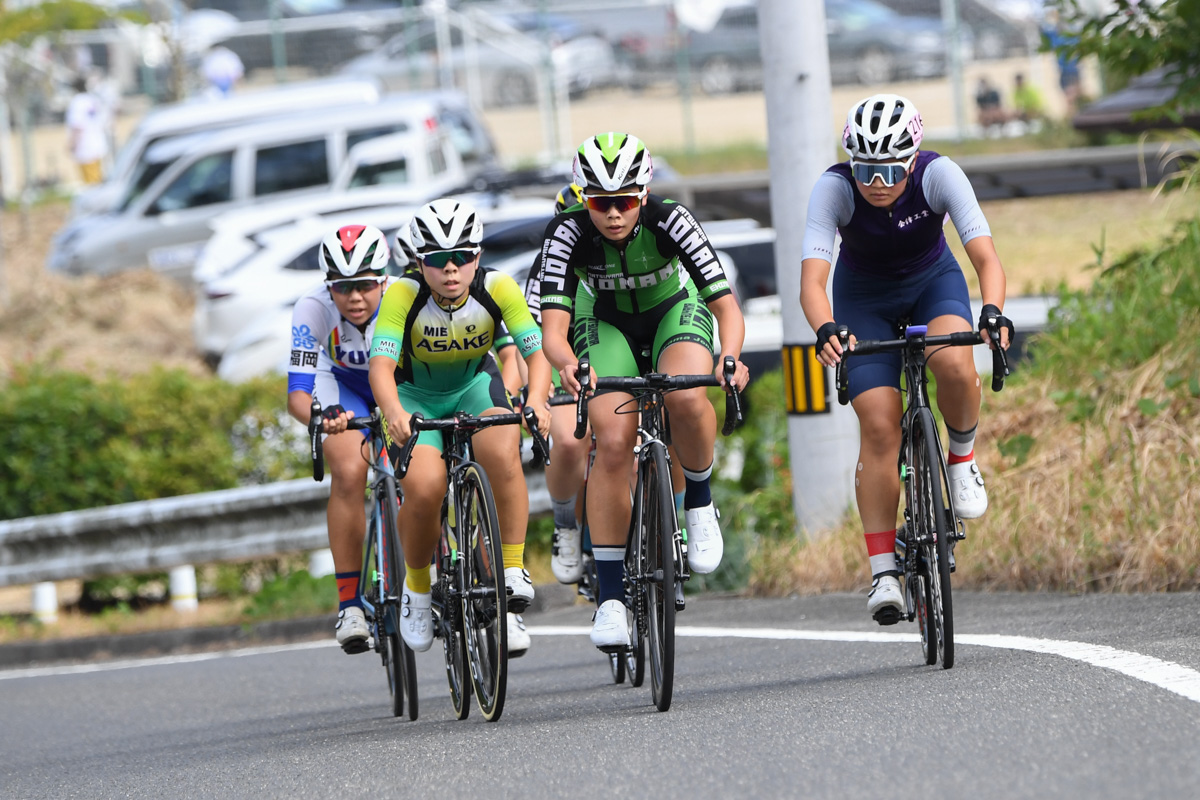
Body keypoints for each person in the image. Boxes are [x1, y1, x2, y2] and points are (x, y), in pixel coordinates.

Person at [799, 94, 1012, 625]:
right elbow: (813, 281)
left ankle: (961, 458)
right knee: (878, 425)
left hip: (931, 284)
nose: (876, 180)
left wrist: (991, 312)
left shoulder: (940, 175)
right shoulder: (833, 189)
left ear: (913, 158)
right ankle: (883, 572)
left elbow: (985, 257)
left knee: (955, 362)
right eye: (865, 168)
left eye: (891, 168)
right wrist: (825, 327)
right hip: (862, 299)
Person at [532, 133, 750, 651]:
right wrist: (568, 365)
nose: (613, 214)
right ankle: (611, 599)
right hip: (605, 326)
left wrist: (730, 355)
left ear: (644, 195)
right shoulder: (565, 232)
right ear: (584, 199)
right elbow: (553, 332)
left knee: (686, 397)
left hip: (674, 309)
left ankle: (697, 501)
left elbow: (725, 305)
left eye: (625, 201)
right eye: (601, 203)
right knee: (609, 442)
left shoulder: (672, 219)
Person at [369, 198, 552, 657]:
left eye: (462, 258)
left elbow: (535, 354)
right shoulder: (402, 295)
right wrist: (392, 411)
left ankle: (511, 569)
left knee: (503, 450)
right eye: (436, 260)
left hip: (474, 385)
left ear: (477, 257)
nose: (450, 270)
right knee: (427, 486)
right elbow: (380, 366)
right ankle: (417, 589)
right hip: (413, 398)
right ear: (419, 262)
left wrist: (535, 402)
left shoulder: (499, 287)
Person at [286, 224, 397, 653]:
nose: (354, 298)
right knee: (350, 470)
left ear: (384, 280)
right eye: (342, 287)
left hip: (398, 383)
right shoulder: (312, 308)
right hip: (341, 388)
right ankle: (350, 604)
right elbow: (297, 395)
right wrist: (321, 416)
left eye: (365, 286)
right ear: (327, 285)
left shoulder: (403, 297)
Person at [65, 76, 109, 186]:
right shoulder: (93, 99)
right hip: (98, 144)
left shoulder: (77, 102)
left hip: (85, 147)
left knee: (91, 185)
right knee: (98, 178)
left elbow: (77, 126)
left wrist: (72, 144)